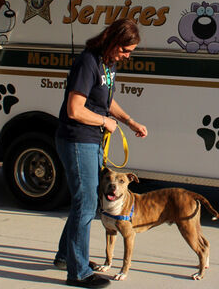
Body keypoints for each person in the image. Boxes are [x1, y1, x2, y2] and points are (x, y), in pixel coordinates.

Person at [53, 18, 148, 288]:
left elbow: (105, 99)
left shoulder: (107, 63)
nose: (128, 56)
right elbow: (75, 109)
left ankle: (65, 257)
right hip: (76, 139)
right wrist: (104, 121)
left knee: (85, 203)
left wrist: (129, 121)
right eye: (125, 50)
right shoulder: (88, 62)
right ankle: (78, 272)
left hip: (91, 140)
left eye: (131, 51)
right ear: (111, 41)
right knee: (85, 205)